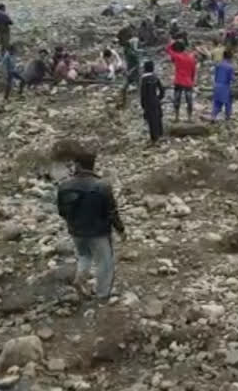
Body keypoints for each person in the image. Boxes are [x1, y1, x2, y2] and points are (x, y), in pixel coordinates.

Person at [57, 151, 125, 300]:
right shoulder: (102, 185)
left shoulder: (64, 186)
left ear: (78, 165)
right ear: (92, 165)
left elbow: (62, 211)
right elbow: (112, 212)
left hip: (76, 231)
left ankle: (80, 280)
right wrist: (120, 230)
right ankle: (102, 294)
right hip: (98, 232)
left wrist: (73, 222)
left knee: (83, 256)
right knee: (104, 262)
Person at [166, 40, 196, 122]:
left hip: (178, 81)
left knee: (177, 99)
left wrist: (173, 41)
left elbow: (168, 49)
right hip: (188, 82)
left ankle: (177, 117)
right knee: (189, 100)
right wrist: (192, 80)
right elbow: (193, 71)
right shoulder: (191, 58)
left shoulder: (177, 56)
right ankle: (189, 118)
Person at [139, 61, 165, 144]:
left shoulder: (143, 79)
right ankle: (161, 134)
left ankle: (154, 138)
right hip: (155, 100)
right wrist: (159, 98)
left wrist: (142, 104)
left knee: (151, 120)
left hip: (148, 101)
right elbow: (162, 90)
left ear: (145, 69)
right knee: (158, 117)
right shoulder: (155, 77)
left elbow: (142, 93)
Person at [211, 50, 235, 122]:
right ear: (230, 57)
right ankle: (228, 117)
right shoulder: (230, 67)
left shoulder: (218, 65)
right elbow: (231, 78)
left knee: (217, 103)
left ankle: (213, 116)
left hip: (217, 85)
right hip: (225, 87)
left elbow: (215, 76)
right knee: (228, 102)